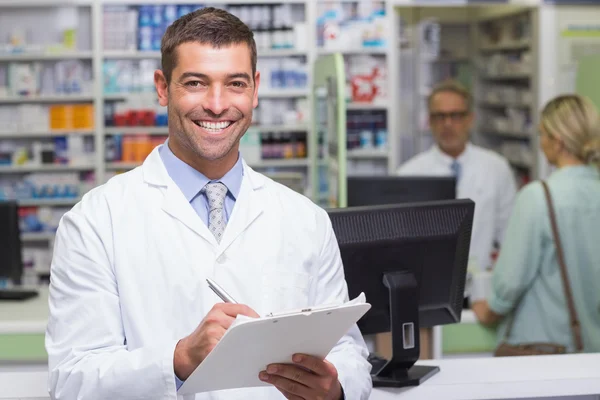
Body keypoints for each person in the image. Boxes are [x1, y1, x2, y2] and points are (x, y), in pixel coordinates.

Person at [45, 7, 372, 400]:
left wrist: (335, 389)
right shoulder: (96, 221)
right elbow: (72, 378)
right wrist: (178, 360)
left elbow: (349, 354)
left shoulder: (306, 219)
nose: (217, 105)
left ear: (255, 88)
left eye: (234, 83)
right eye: (196, 83)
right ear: (163, 88)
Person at [472, 94, 600, 353]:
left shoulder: (539, 197)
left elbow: (511, 281)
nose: (541, 143)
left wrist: (488, 309)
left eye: (542, 134)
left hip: (545, 349)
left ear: (558, 140)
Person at [396, 80, 517, 271]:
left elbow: (510, 237)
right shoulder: (409, 173)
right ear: (429, 121)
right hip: (428, 286)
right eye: (439, 116)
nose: (448, 124)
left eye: (456, 116)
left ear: (470, 119)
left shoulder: (496, 168)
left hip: (482, 290)